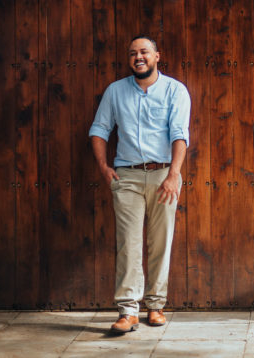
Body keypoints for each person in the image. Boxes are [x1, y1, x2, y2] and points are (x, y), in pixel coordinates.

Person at [89, 35, 190, 333]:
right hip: (127, 176)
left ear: (157, 55)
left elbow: (179, 134)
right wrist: (104, 167)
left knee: (160, 241)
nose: (138, 57)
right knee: (128, 244)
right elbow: (99, 129)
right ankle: (128, 310)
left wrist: (174, 174)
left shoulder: (175, 90)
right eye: (133, 53)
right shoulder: (115, 91)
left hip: (164, 176)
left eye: (144, 51)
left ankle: (156, 306)